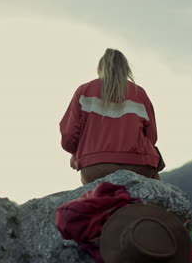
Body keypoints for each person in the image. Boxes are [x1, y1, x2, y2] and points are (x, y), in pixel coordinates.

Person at [59, 48, 164, 185]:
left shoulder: (84, 91)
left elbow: (69, 133)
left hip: (95, 165)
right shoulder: (139, 93)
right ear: (126, 69)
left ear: (100, 68)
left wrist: (77, 152)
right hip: (139, 164)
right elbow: (151, 137)